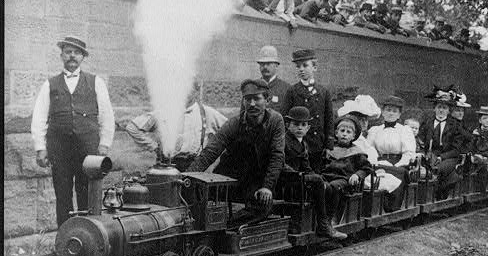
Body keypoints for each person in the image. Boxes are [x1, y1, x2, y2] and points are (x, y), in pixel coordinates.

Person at [31, 36, 115, 227]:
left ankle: (89, 239)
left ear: (83, 57)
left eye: (77, 52)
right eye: (68, 51)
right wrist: (40, 148)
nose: (72, 56)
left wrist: (104, 144)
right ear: (61, 55)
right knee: (63, 195)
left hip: (88, 151)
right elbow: (39, 117)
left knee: (87, 193)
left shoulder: (96, 82)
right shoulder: (50, 84)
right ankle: (65, 239)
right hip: (60, 151)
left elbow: (107, 115)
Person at [188, 79, 285, 224]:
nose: (252, 104)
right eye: (247, 99)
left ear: (267, 100)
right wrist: (188, 176)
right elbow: (210, 151)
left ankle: (227, 228)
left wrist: (267, 187)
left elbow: (277, 156)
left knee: (263, 205)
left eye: (257, 99)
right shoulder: (234, 123)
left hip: (258, 181)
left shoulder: (276, 121)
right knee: (197, 193)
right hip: (231, 178)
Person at [125, 80, 227, 172]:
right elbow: (132, 128)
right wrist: (153, 146)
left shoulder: (207, 113)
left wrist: (216, 163)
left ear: (196, 90)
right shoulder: (163, 112)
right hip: (167, 166)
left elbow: (231, 132)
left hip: (197, 167)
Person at [282, 106, 346, 239]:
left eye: (303, 125)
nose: (299, 128)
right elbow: (279, 163)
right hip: (285, 180)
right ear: (288, 125)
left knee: (326, 184)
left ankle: (326, 222)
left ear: (308, 128)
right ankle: (323, 226)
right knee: (317, 181)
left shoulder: (303, 143)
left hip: (298, 179)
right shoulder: (283, 141)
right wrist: (298, 174)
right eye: (295, 124)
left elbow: (306, 167)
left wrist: (320, 179)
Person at [280, 49, 334, 173]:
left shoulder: (323, 92)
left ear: (314, 67)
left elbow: (329, 120)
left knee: (315, 176)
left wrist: (329, 145)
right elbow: (284, 118)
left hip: (317, 145)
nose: (301, 69)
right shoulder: (292, 91)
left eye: (305, 65)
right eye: (298, 66)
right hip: (295, 146)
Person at [321, 115, 373, 224]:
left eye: (348, 132)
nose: (345, 134)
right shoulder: (329, 149)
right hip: (326, 177)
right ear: (336, 133)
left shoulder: (356, 152)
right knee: (320, 185)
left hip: (344, 180)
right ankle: (319, 216)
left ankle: (332, 216)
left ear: (353, 136)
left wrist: (357, 175)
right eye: (342, 131)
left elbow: (367, 168)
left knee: (335, 187)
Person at [416, 87, 463, 199]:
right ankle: (424, 197)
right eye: (439, 107)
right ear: (434, 109)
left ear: (448, 110)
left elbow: (456, 149)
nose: (441, 110)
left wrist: (442, 157)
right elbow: (420, 139)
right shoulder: (428, 122)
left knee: (440, 168)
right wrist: (423, 152)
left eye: (444, 108)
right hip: (430, 154)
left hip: (448, 156)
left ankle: (440, 195)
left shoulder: (455, 125)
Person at [366, 96, 416, 167]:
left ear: (399, 115)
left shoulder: (404, 130)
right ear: (383, 112)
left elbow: (408, 153)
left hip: (399, 165)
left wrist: (397, 166)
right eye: (388, 110)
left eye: (395, 111)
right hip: (379, 163)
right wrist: (375, 163)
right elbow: (370, 149)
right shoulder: (375, 130)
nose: (391, 113)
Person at [256, 45, 290, 113]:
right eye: (262, 64)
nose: (265, 67)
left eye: (268, 63)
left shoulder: (287, 89)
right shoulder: (253, 86)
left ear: (276, 65)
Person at [448, 90, 473, 154]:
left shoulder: (462, 123)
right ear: (451, 112)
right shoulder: (451, 123)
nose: (461, 113)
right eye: (458, 111)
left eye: (462, 111)